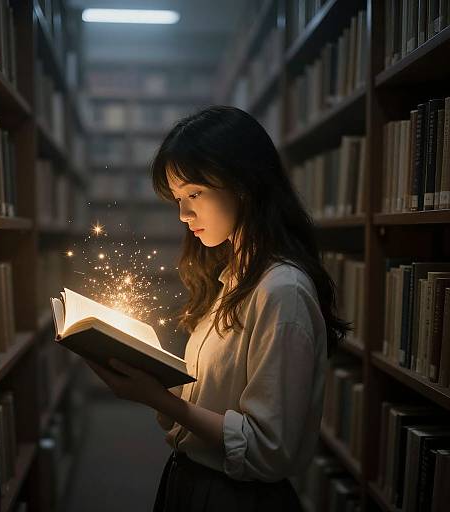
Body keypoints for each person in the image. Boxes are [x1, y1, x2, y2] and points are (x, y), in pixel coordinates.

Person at [86, 105, 351, 511]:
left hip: (236, 499)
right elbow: (208, 404)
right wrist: (148, 372)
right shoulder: (231, 277)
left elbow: (268, 449)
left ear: (243, 184)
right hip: (190, 482)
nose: (183, 213)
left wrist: (160, 399)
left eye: (195, 193)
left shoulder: (281, 291)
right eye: (177, 198)